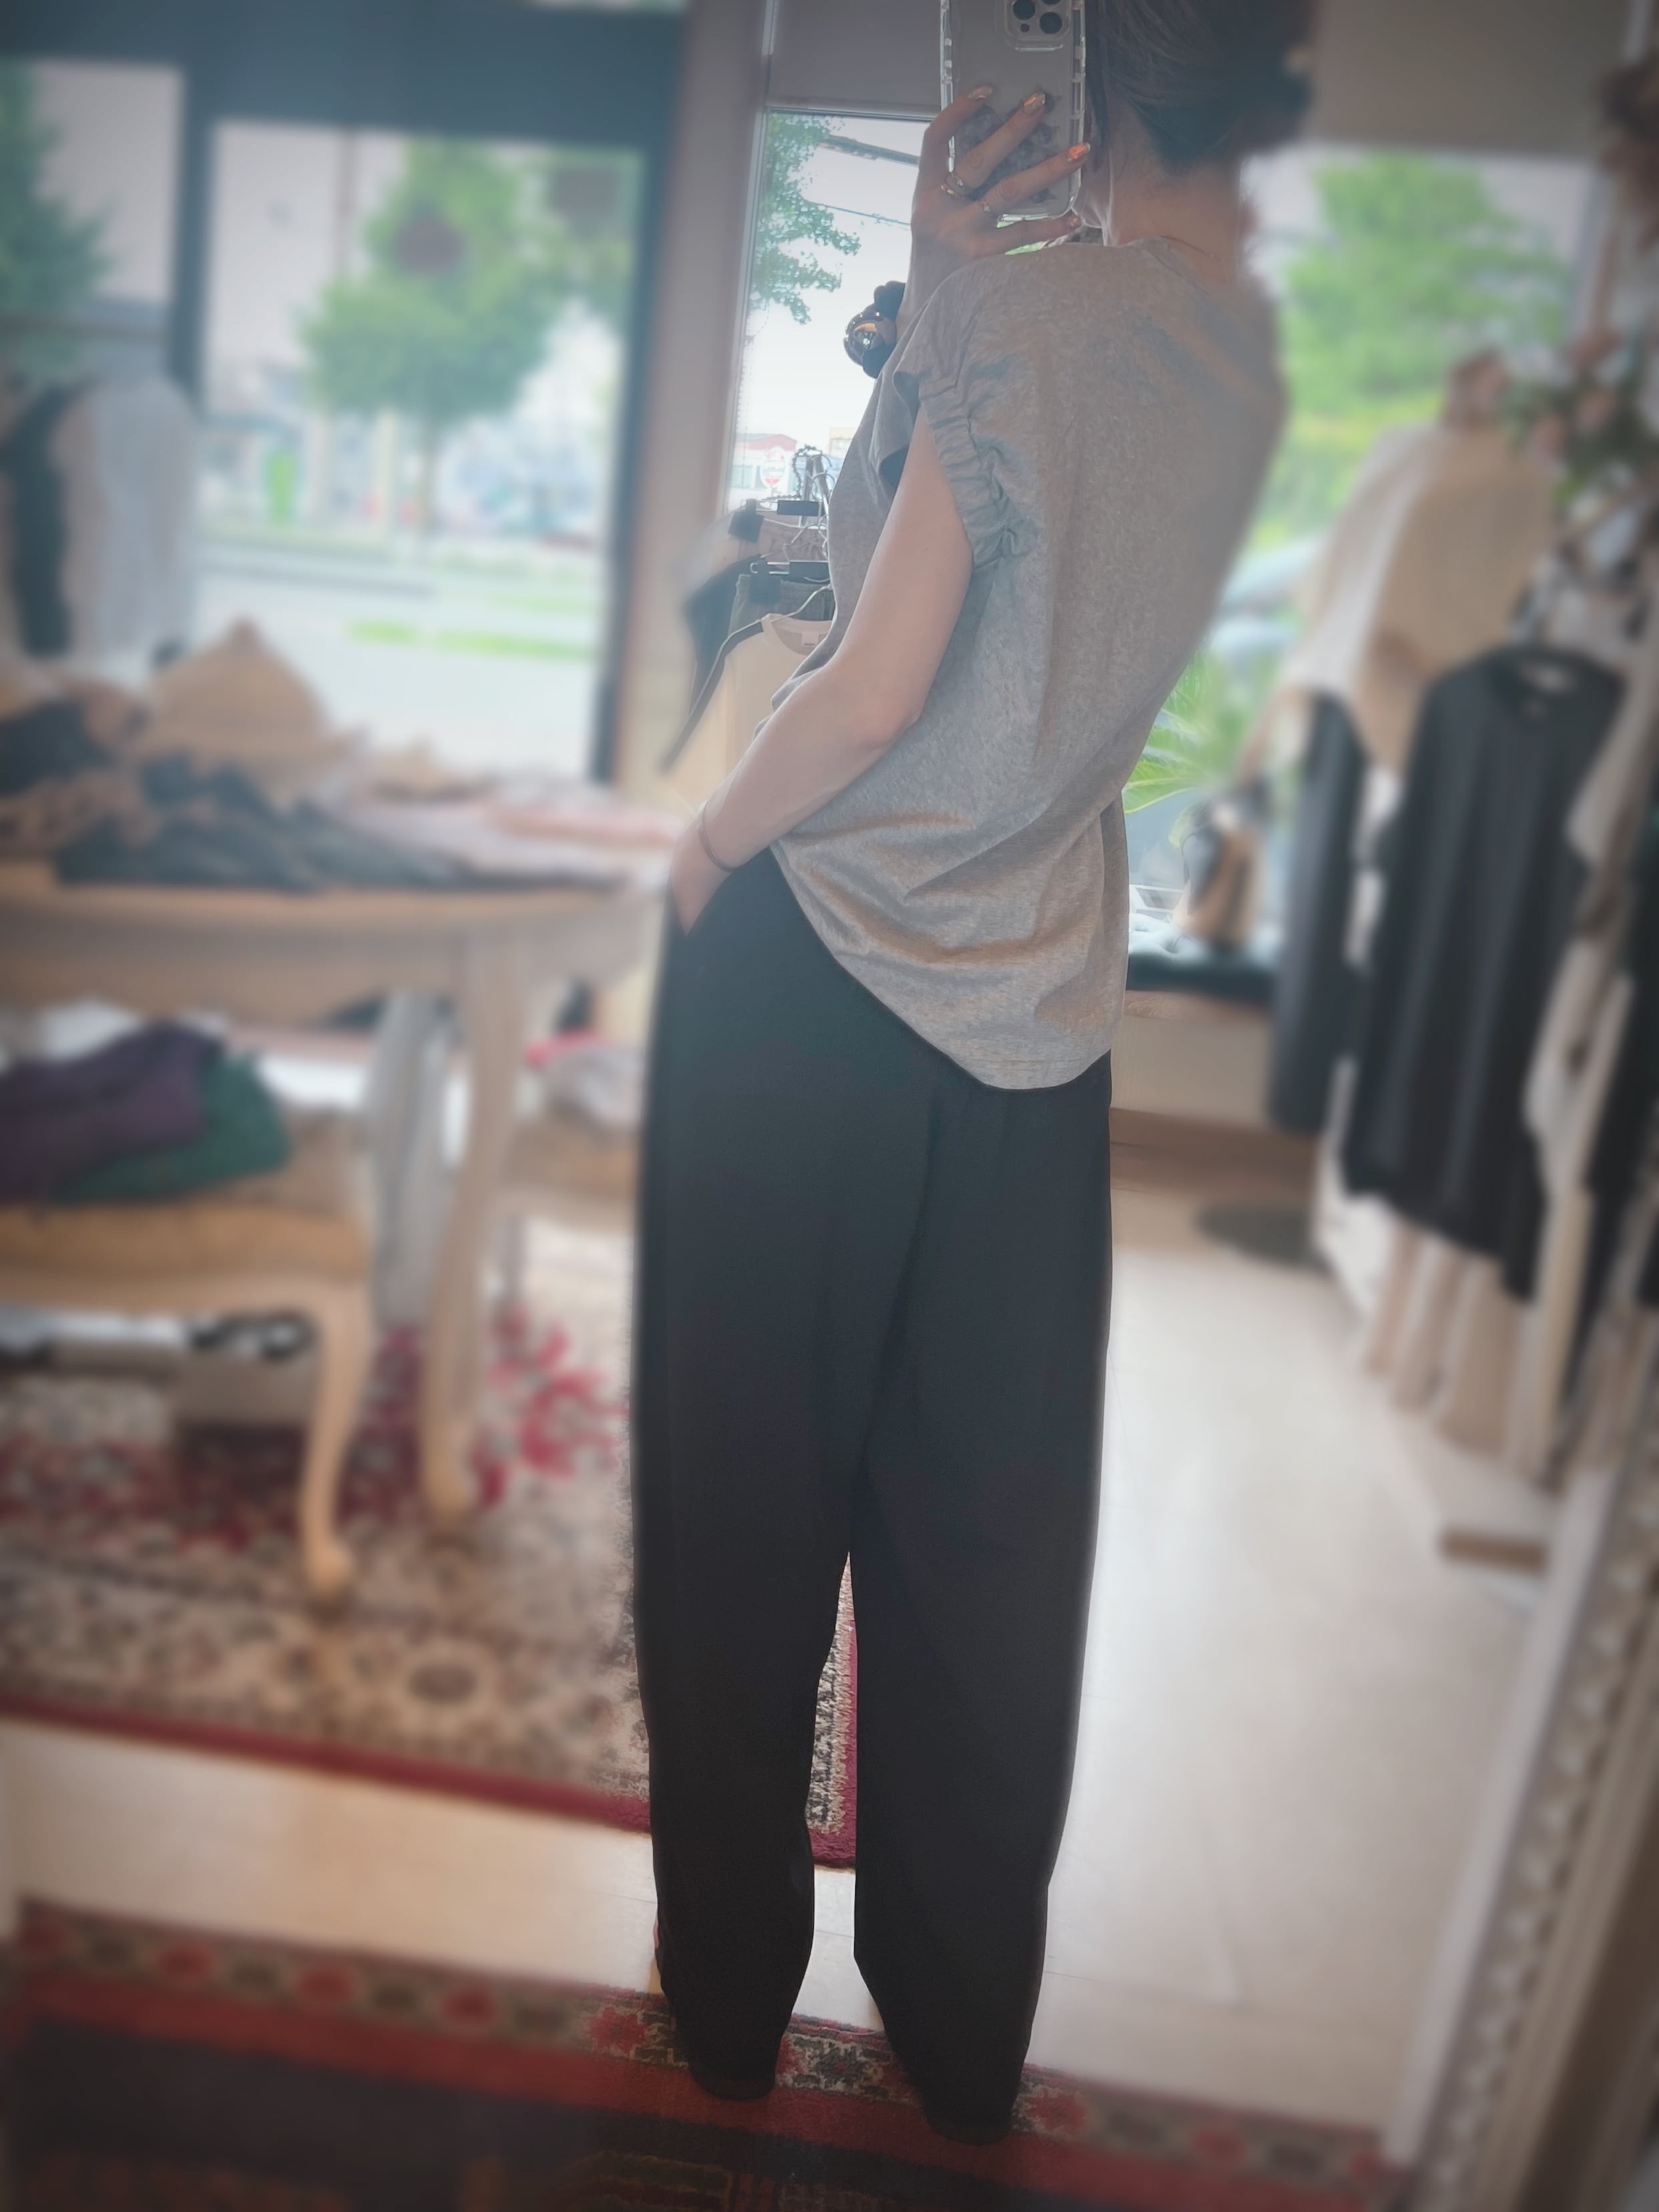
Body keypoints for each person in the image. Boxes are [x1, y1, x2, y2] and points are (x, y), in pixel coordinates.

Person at [634, 0, 1311, 2145]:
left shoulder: (1034, 322)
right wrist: (941, 299)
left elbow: (869, 675)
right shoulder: (1246, 361)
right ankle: (953, 2026)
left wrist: (703, 845)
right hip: (1040, 1021)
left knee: (743, 1518)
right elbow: (1023, 637)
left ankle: (729, 2002)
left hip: (820, 976)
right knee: (985, 1552)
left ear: (1090, 89)